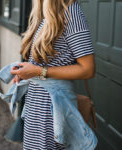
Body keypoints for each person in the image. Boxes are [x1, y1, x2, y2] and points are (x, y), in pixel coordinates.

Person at [10, 0, 96, 149]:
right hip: (36, 105)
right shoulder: (44, 12)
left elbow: (88, 69)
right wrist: (26, 72)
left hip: (51, 109)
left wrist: (39, 72)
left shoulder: (71, 11)